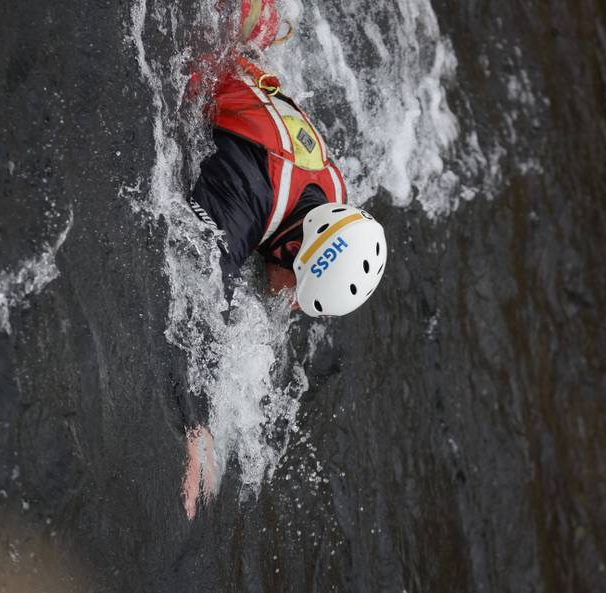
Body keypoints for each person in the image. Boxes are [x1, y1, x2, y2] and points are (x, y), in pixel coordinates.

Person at [179, 2, 389, 518]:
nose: (291, 303)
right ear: (293, 247)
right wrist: (194, 423)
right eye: (297, 288)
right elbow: (192, 295)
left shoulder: (333, 192)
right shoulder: (244, 199)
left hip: (244, 84)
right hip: (197, 58)